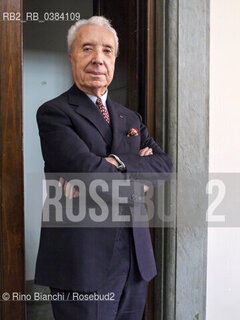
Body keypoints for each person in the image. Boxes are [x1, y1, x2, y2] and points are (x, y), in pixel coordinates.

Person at [35, 16, 172, 320]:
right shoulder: (54, 113)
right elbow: (87, 172)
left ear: (115, 58)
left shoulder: (131, 119)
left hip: (135, 261)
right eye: (87, 48)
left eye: (107, 50)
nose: (98, 59)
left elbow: (165, 165)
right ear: (71, 56)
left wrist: (117, 162)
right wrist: (140, 176)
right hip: (83, 261)